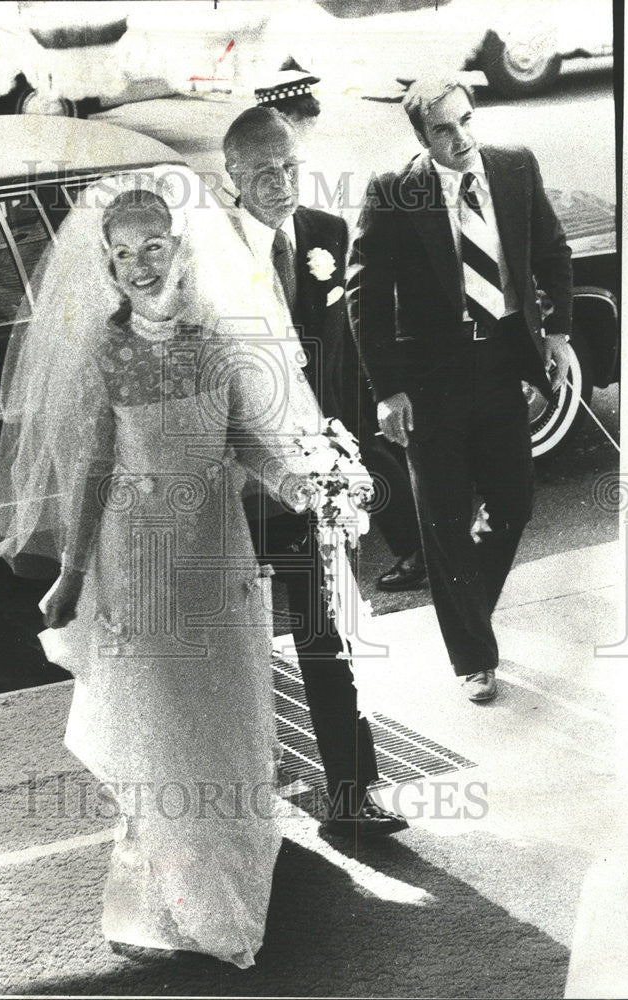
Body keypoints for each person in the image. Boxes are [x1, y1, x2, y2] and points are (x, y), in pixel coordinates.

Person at [0, 168, 371, 966]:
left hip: (217, 549)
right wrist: (71, 574)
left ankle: (232, 872)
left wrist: (307, 483)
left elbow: (243, 442)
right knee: (162, 730)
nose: (140, 264)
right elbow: (92, 467)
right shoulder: (108, 346)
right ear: (108, 264)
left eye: (152, 246)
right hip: (140, 562)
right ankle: (176, 895)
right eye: (123, 253)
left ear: (178, 247)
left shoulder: (216, 340)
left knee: (225, 719)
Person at [346, 77, 573, 702]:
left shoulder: (514, 168)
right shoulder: (393, 192)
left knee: (514, 506)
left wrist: (556, 336)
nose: (462, 138)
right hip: (430, 382)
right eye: (445, 129)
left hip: (503, 367)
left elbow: (553, 253)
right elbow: (364, 293)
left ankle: (465, 602)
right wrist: (389, 390)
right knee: (444, 523)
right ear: (422, 137)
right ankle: (473, 656)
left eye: (467, 121)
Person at [223, 106, 410, 834]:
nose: (279, 182)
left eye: (289, 166)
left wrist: (344, 451)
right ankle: (234, 801)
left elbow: (343, 356)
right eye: (262, 171)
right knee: (229, 641)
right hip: (233, 481)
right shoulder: (207, 249)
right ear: (231, 175)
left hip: (309, 476)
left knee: (321, 633)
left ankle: (349, 795)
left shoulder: (327, 235)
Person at [251, 73, 428, 594]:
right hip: (290, 364)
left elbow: (346, 270)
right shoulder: (278, 170)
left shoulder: (316, 179)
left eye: (287, 120)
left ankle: (417, 550)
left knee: (364, 451)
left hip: (332, 355)